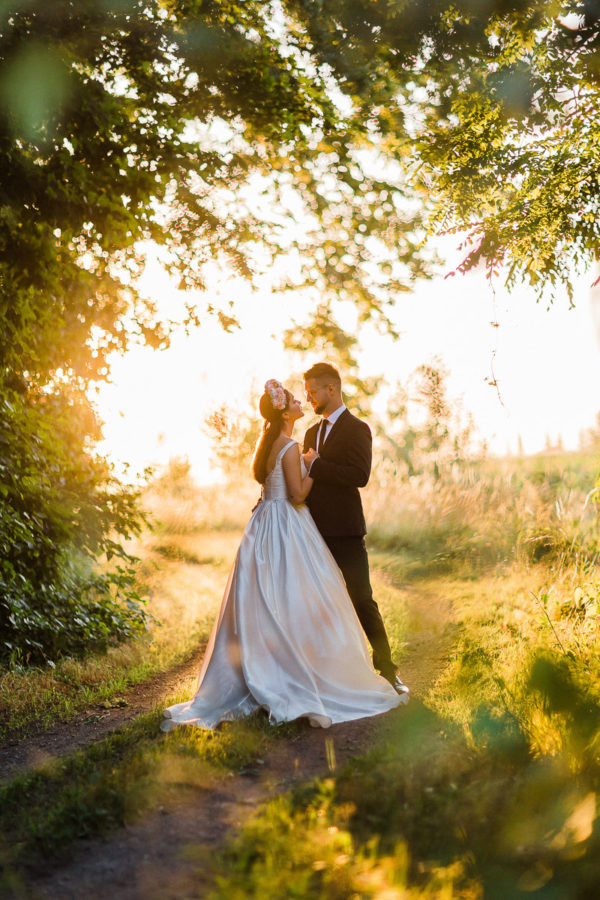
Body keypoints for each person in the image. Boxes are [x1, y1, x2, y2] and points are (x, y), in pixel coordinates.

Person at [161, 379, 405, 732]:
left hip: (266, 525)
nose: (302, 400)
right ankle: (300, 673)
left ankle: (280, 668)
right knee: (299, 597)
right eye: (294, 399)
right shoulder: (293, 444)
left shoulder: (270, 443)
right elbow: (298, 495)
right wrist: (314, 465)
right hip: (289, 525)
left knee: (277, 598)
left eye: (307, 393)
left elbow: (341, 477)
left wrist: (310, 465)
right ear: (285, 412)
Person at [302, 362, 409, 696]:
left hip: (346, 531)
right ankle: (328, 675)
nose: (309, 399)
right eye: (306, 393)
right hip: (312, 532)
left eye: (313, 392)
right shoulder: (310, 433)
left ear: (331, 389)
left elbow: (359, 475)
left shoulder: (357, 428)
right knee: (319, 603)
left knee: (362, 599)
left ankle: (388, 671)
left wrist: (318, 465)